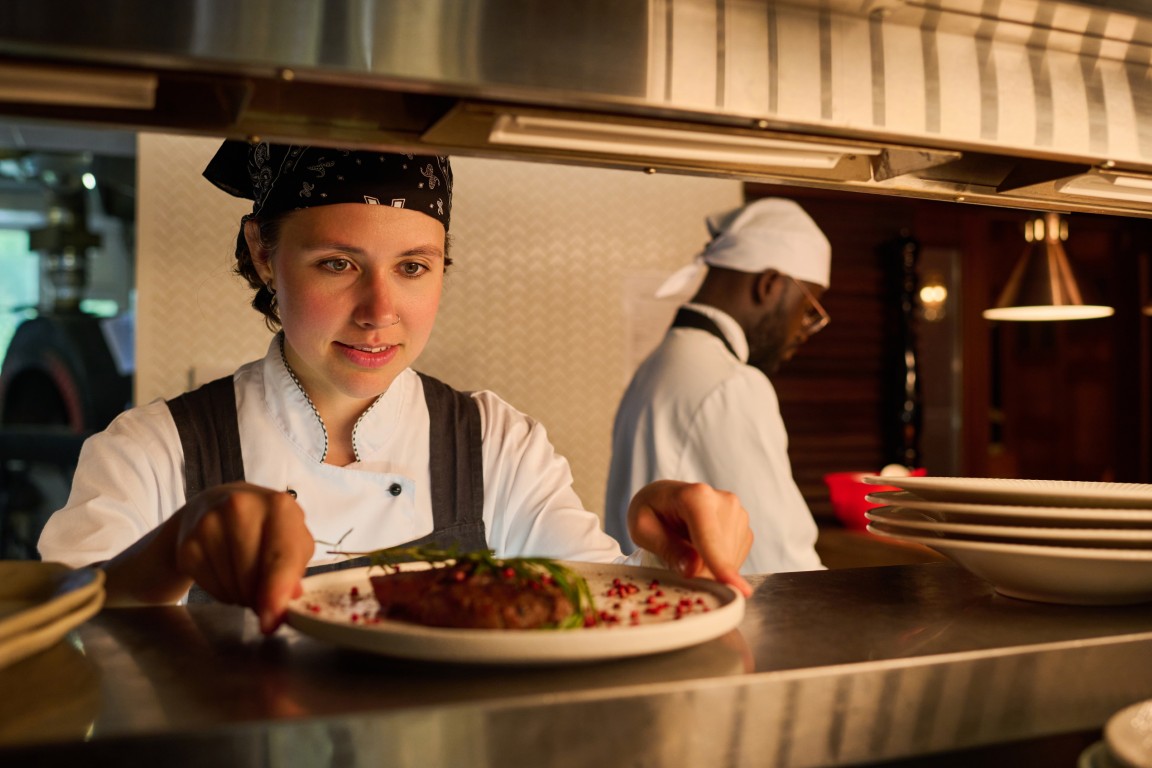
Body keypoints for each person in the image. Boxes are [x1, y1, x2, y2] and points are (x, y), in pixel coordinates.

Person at [38, 141, 753, 634]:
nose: (379, 311)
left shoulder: (495, 445)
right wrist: (171, 551)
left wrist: (669, 559)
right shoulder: (151, 451)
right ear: (263, 253)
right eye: (338, 264)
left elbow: (600, 612)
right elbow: (55, 650)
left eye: (412, 267)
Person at [604, 197, 830, 575]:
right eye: (808, 310)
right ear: (770, 285)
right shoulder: (732, 384)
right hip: (693, 604)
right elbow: (782, 565)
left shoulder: (660, 363)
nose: (804, 331)